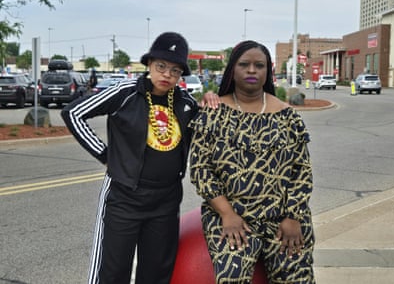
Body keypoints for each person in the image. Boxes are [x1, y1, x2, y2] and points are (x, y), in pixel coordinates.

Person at [61, 32, 218, 284]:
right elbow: (74, 113)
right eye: (161, 66)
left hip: (165, 201)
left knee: (156, 274)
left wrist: (210, 100)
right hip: (124, 197)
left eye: (175, 70)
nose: (167, 74)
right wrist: (104, 155)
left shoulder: (185, 102)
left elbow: (209, 132)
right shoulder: (125, 92)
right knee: (112, 273)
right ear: (149, 64)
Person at [189, 40, 315, 283]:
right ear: (232, 69)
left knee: (295, 278)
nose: (251, 71)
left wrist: (293, 216)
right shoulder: (213, 114)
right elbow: (200, 170)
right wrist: (227, 214)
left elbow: (302, 171)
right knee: (232, 278)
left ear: (268, 71)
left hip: (283, 218)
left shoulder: (287, 117)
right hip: (232, 215)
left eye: (259, 65)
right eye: (244, 64)